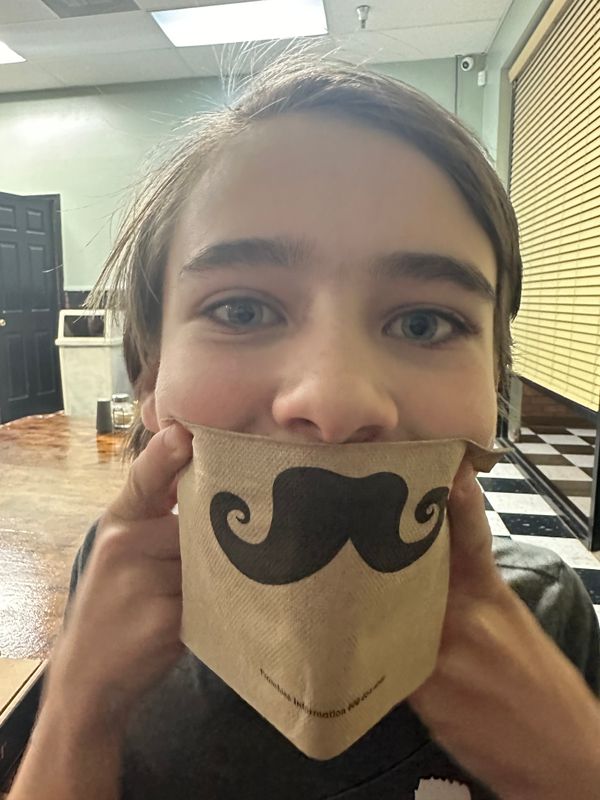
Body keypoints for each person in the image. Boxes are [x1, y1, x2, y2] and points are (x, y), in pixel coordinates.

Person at [9, 54, 600, 800]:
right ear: (149, 378)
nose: (334, 401)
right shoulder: (118, 582)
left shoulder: (542, 614)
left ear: (494, 383)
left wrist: (577, 764)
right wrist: (77, 712)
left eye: (424, 322)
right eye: (242, 310)